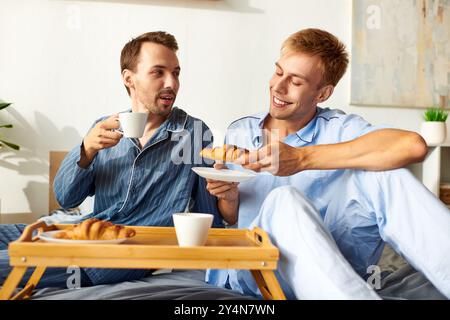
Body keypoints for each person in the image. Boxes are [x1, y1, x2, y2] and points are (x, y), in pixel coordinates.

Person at [205, 28, 450, 299]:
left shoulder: (338, 128)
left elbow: (413, 146)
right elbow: (231, 217)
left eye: (295, 82)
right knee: (284, 199)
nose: (278, 86)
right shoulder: (241, 131)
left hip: (339, 269)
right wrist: (228, 197)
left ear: (322, 94)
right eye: (278, 72)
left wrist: (302, 158)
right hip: (259, 271)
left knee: (385, 174)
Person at [0, 31, 221, 289]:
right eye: (158, 72)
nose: (171, 82)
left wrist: (225, 194)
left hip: (113, 257)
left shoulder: (194, 133)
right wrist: (86, 150)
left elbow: (211, 221)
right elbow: (66, 199)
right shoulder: (103, 128)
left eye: (176, 72)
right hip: (81, 231)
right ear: (129, 79)